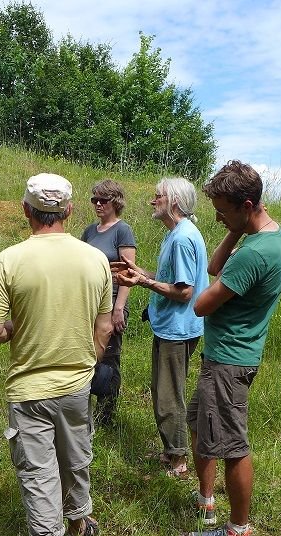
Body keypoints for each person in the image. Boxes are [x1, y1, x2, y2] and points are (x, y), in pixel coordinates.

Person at [0, 173, 113, 536]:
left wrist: (23, 323)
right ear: (70, 211)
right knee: (75, 457)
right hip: (77, 383)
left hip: (30, 389)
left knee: (40, 476)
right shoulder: (95, 259)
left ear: (25, 211)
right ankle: (78, 523)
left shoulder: (10, 260)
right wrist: (89, 361)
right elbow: (105, 326)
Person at [187, 161, 281, 536]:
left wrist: (235, 237)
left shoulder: (256, 253)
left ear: (247, 205)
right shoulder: (271, 235)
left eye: (223, 210)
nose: (216, 217)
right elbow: (214, 267)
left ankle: (239, 531)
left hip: (230, 360)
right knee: (198, 422)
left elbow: (201, 304)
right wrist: (234, 229)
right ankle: (208, 500)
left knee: (233, 445)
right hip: (227, 356)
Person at [113, 177, 208, 478]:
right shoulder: (177, 234)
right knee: (163, 389)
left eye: (158, 197)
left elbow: (184, 292)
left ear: (174, 202)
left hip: (177, 329)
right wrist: (138, 271)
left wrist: (142, 282)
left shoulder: (181, 239)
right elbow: (171, 278)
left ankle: (178, 461)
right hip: (172, 326)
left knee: (169, 395)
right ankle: (172, 451)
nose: (152, 201)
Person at [80, 179, 137, 425]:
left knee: (109, 358)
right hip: (89, 303)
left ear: (116, 202)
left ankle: (106, 415)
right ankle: (83, 409)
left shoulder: (122, 230)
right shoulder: (90, 231)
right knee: (87, 355)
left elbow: (128, 273)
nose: (98, 204)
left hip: (112, 301)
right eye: (95, 199)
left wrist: (119, 308)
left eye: (103, 200)